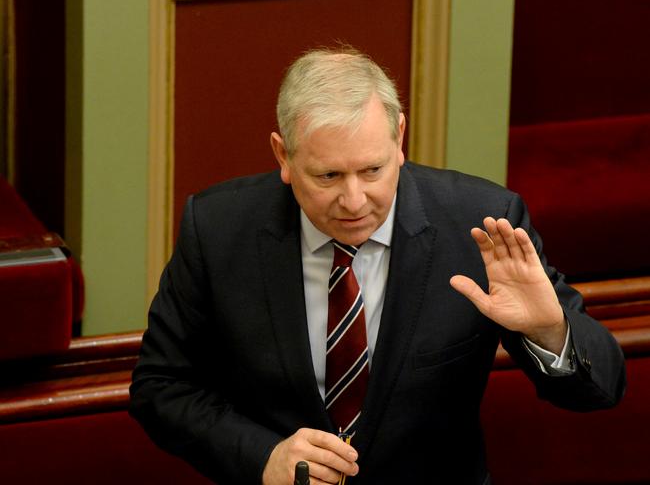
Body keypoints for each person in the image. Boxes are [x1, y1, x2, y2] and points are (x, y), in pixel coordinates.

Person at [130, 47, 626, 485]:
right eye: (328, 176)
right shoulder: (218, 229)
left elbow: (601, 391)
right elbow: (161, 387)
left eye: (373, 170)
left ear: (400, 137)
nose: (354, 200)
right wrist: (265, 458)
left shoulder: (480, 225)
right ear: (283, 155)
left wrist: (550, 330)